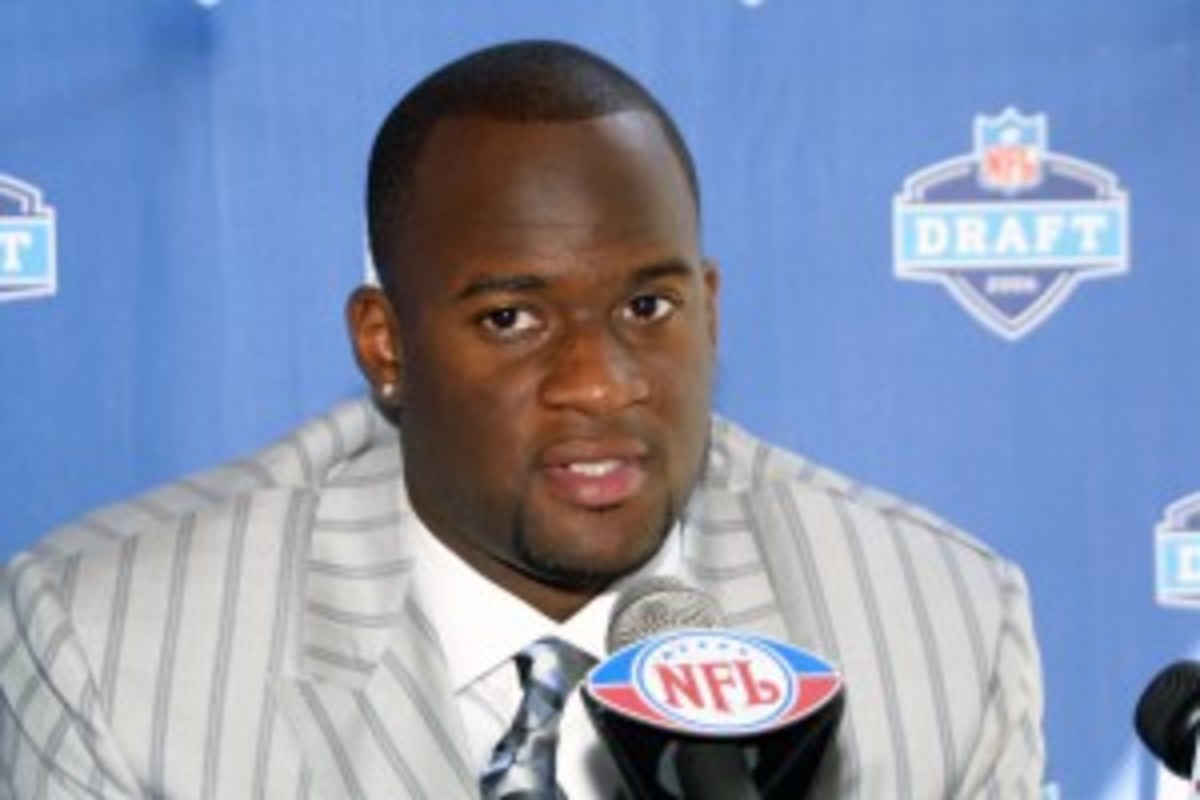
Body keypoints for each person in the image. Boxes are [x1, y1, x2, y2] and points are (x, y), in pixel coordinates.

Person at [0, 40, 1045, 798]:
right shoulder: (113, 639)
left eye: (648, 307)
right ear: (387, 346)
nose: (599, 382)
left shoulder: (942, 627)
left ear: (712, 310)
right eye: (511, 317)